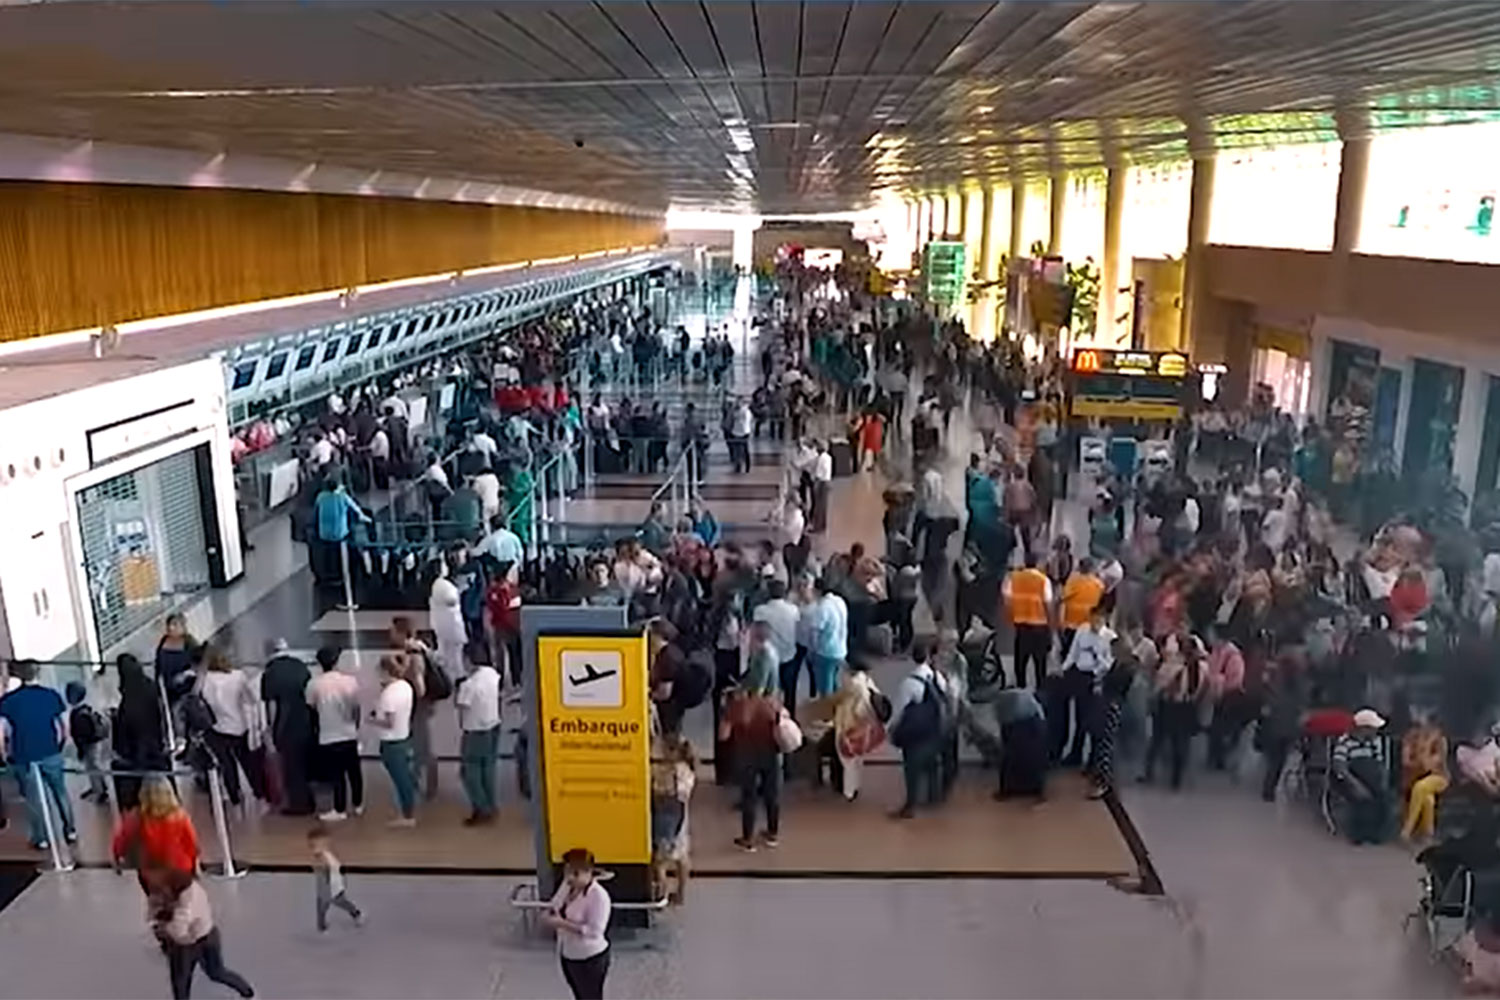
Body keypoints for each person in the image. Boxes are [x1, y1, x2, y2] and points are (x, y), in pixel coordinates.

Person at [0, 659, 76, 850]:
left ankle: (42, 838)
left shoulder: (8, 701)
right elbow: (64, 726)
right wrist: (60, 744)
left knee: (34, 799)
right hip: (50, 751)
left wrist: (4, 753)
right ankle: (70, 830)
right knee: (60, 792)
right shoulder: (51, 695)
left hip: (24, 755)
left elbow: (1, 731)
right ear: (38, 673)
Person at [151, 868, 255, 1000]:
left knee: (181, 981)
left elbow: (179, 929)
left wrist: (163, 928)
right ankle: (247, 992)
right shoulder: (195, 888)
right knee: (217, 972)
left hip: (185, 945)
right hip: (209, 934)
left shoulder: (182, 906)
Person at [720, 635, 783, 851]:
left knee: (749, 797)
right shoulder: (771, 705)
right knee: (771, 795)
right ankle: (773, 834)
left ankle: (748, 839)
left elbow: (723, 735)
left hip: (746, 755)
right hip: (771, 754)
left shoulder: (738, 706)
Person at [199, 648, 267, 810]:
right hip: (239, 725)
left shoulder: (205, 679)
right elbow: (251, 699)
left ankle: (234, 796)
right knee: (248, 762)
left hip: (217, 727)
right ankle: (258, 793)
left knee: (226, 764)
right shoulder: (238, 676)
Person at [889, 639, 948, 819]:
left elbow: (900, 709)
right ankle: (933, 798)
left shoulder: (909, 682)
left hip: (916, 733)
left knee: (912, 770)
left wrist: (892, 728)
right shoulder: (937, 676)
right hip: (935, 729)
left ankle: (910, 805)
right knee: (932, 766)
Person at [112, 776, 199, 895]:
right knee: (179, 902)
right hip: (180, 869)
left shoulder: (135, 816)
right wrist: (194, 867)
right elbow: (192, 845)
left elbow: (121, 841)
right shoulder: (180, 817)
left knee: (157, 902)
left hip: (151, 871)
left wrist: (117, 859)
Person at [545, 848, 612, 1000]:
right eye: (567, 872)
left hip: (590, 958)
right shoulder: (568, 886)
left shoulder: (598, 897)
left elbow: (595, 931)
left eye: (576, 874)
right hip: (568, 953)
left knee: (591, 996)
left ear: (589, 873)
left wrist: (562, 923)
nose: (570, 878)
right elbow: (555, 904)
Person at [306, 645, 363, 821]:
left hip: (328, 734)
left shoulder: (314, 683)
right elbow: (356, 708)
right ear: (336, 661)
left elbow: (311, 709)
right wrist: (355, 726)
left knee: (336, 773)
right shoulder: (350, 681)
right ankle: (358, 804)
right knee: (354, 771)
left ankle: (339, 809)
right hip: (349, 732)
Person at [260, 639, 315, 816]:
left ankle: (300, 804)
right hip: (305, 719)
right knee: (304, 762)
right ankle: (309, 797)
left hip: (286, 724)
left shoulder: (270, 673)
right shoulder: (300, 666)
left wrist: (270, 729)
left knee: (292, 766)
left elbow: (272, 706)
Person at [112, 653, 171, 812]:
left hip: (136, 749)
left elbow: (126, 725)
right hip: (155, 741)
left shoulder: (128, 696)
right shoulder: (150, 686)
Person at [1056, 606, 1113, 767]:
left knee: (1092, 719)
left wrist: (1097, 656)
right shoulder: (1082, 630)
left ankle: (1093, 759)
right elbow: (1073, 653)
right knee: (1079, 717)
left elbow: (1109, 664)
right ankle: (1075, 754)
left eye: (1099, 620)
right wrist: (1063, 669)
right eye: (1093, 619)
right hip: (1079, 675)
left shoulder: (1109, 638)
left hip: (1095, 678)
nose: (1095, 623)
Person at [370, 654, 417, 827]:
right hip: (403, 737)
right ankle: (408, 809)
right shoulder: (405, 686)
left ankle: (407, 815)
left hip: (391, 742)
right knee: (405, 776)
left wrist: (371, 720)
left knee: (400, 779)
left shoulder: (388, 695)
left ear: (384, 671)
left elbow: (388, 722)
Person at [1331, 708, 1392, 845]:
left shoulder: (1375, 742)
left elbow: (1380, 764)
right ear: (1363, 728)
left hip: (1372, 779)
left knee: (1383, 798)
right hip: (1349, 779)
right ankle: (1359, 835)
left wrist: (1383, 781)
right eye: (1373, 728)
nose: (1376, 731)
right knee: (1360, 799)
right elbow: (1340, 767)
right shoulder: (1345, 742)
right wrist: (1356, 785)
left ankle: (1376, 834)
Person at [455, 650, 502, 825]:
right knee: (488, 768)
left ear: (468, 660)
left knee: (469, 772)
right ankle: (491, 804)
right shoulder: (492, 674)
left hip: (475, 730)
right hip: (493, 725)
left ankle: (482, 808)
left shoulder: (469, 685)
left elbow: (462, 705)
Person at [832, 660, 887, 801]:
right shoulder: (866, 681)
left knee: (848, 761)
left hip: (849, 728)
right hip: (863, 729)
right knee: (857, 760)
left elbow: (850, 711)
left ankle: (849, 792)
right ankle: (855, 787)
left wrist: (842, 729)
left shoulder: (852, 688)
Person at [1003, 553, 1054, 689]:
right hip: (1040, 627)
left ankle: (1020, 688)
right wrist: (1051, 625)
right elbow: (1048, 604)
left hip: (1021, 626)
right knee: (1040, 663)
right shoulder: (1043, 580)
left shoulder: (1014, 578)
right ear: (1037, 564)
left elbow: (1007, 599)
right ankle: (1040, 690)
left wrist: (1011, 617)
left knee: (1020, 660)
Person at [1400, 713, 1449, 842]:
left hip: (1438, 778)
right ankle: (1428, 833)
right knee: (1428, 799)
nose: (1426, 729)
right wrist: (1422, 745)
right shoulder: (1410, 738)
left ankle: (1407, 829)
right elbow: (1406, 762)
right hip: (1414, 778)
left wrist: (1427, 744)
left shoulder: (1440, 742)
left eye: (1433, 727)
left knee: (1420, 787)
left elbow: (1428, 766)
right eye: (1424, 726)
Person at [308, 824, 363, 932]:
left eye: (324, 843)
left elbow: (334, 868)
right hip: (325, 887)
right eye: (314, 845)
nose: (315, 848)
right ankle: (321, 924)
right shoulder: (319, 858)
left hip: (334, 886)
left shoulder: (327, 855)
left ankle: (355, 913)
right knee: (322, 906)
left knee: (341, 902)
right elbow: (322, 872)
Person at [65, 680, 109, 805]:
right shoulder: (84, 709)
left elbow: (80, 734)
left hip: (89, 744)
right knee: (93, 766)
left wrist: (80, 749)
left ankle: (100, 791)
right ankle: (98, 787)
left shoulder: (78, 713)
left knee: (93, 766)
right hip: (93, 741)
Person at [155, 614, 199, 739]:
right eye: (170, 625)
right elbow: (158, 664)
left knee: (178, 715)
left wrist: (185, 674)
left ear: (182, 627)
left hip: (184, 689)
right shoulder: (164, 642)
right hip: (167, 690)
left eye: (175, 625)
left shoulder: (189, 644)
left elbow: (199, 665)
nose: (171, 628)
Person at [806, 577, 848, 697]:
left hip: (826, 652)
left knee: (825, 689)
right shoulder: (840, 601)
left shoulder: (822, 608)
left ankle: (827, 713)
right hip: (841, 649)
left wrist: (812, 651)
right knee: (834, 683)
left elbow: (815, 632)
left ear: (817, 590)